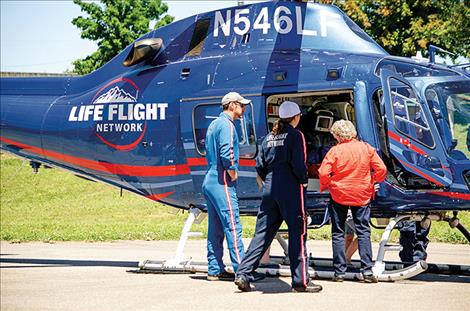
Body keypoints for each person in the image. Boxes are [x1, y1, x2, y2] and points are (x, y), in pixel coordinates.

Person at [235, 101, 323, 293]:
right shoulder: (296, 135)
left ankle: (243, 273)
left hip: (270, 186)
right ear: (296, 117)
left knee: (262, 233)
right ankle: (301, 281)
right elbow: (299, 163)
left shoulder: (268, 138)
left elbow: (260, 165)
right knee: (297, 233)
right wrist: (303, 180)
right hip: (290, 188)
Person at [318, 120, 386, 283]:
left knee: (338, 232)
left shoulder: (334, 151)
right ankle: (367, 271)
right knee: (363, 231)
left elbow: (323, 172)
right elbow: (382, 169)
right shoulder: (367, 148)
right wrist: (373, 181)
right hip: (362, 194)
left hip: (339, 194)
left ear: (337, 135)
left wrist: (328, 185)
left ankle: (339, 272)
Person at [202, 91, 250, 281]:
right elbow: (227, 152)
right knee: (232, 225)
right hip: (222, 180)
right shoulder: (228, 125)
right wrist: (233, 171)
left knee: (215, 228)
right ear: (232, 105)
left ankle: (214, 268)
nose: (243, 108)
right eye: (241, 104)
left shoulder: (213, 124)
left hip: (210, 179)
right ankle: (242, 271)